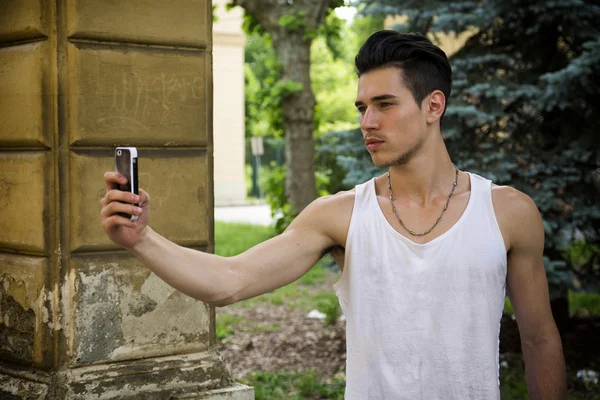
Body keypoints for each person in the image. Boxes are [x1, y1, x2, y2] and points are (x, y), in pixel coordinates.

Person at [101, 30, 566, 399]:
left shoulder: (507, 212)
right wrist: (141, 238)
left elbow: (540, 339)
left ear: (433, 106)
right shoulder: (340, 215)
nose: (367, 122)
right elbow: (230, 280)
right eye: (363, 107)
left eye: (385, 105)